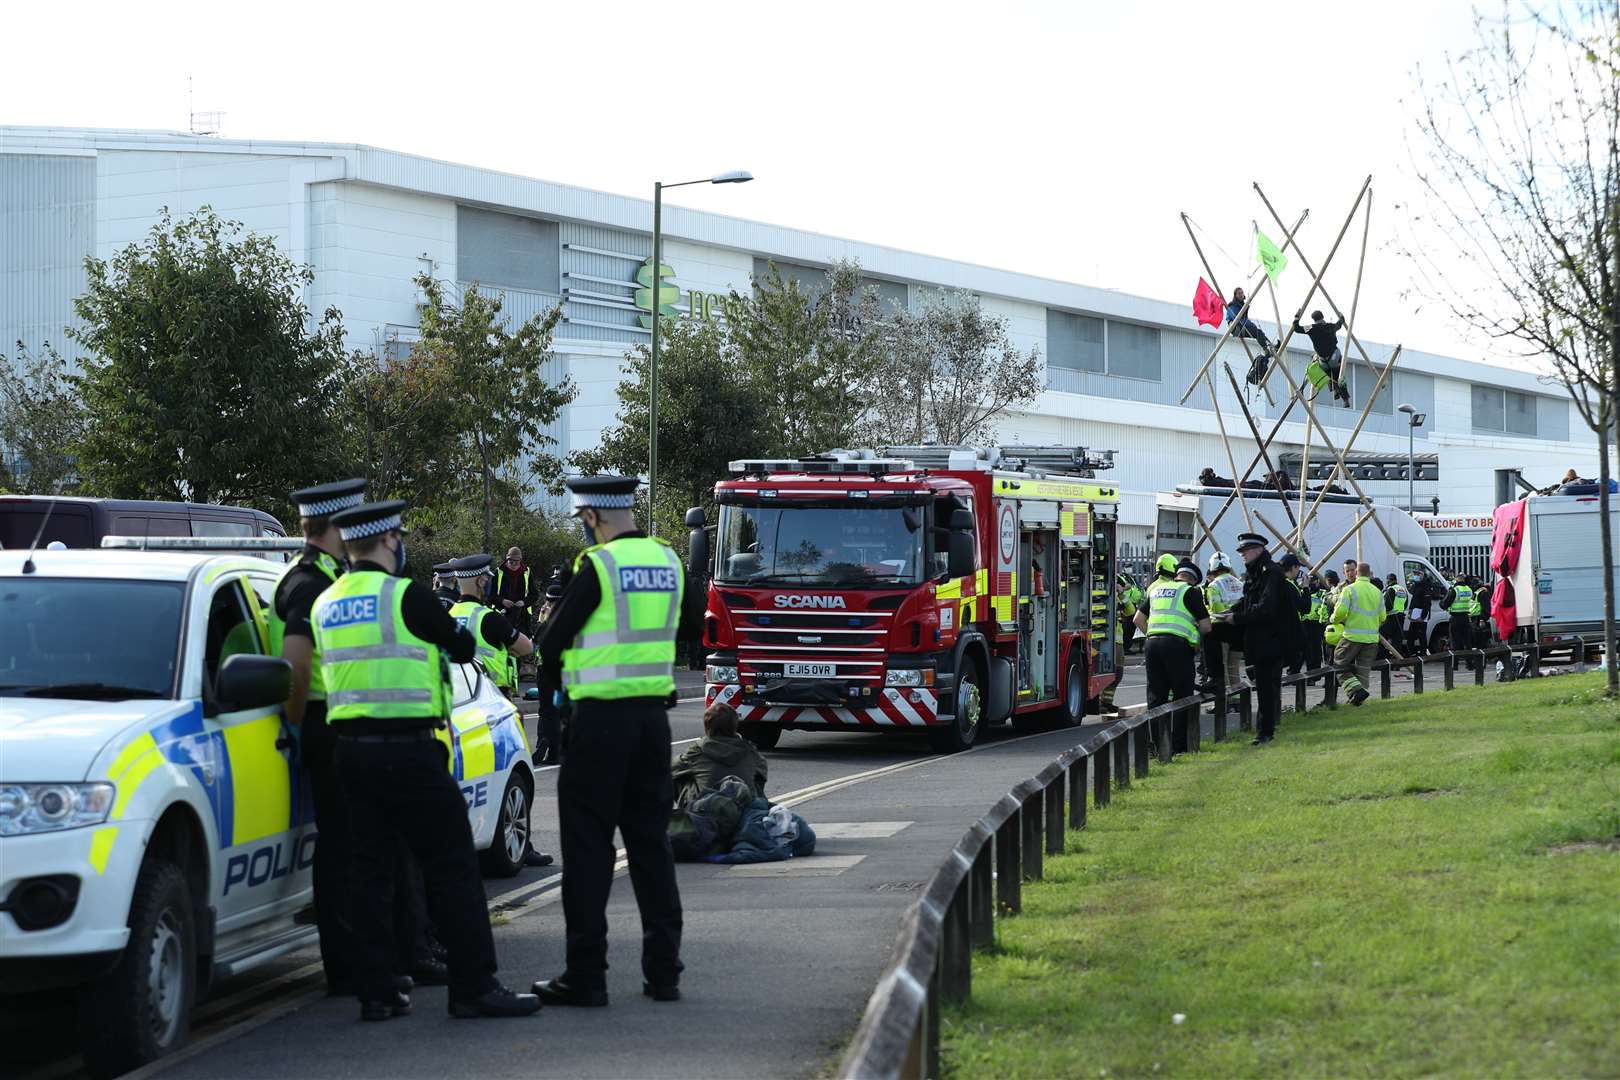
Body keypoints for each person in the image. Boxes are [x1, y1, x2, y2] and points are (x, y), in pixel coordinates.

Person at [311, 499, 539, 1022]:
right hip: (410, 751)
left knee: (369, 872)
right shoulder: (404, 597)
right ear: (389, 541)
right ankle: (474, 987)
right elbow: (460, 645)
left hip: (350, 754)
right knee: (453, 864)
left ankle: (378, 992)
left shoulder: (327, 603)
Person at [268, 480, 445, 998]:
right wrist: (299, 728)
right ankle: (350, 970)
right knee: (348, 856)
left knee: (375, 852)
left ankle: (397, 957)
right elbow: (296, 668)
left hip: (356, 722)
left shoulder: (331, 577)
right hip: (331, 724)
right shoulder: (305, 583)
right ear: (338, 525)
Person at [531, 475, 702, 1008]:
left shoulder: (597, 566)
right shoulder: (669, 560)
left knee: (588, 851)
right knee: (651, 846)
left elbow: (550, 642)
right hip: (653, 723)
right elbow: (690, 625)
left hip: (599, 723)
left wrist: (559, 706)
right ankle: (664, 973)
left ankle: (586, 975)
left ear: (591, 518)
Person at [1135, 554, 1212, 756]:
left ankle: (1157, 746)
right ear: (1194, 579)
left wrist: (1154, 633)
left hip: (1152, 645)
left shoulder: (1157, 590)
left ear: (1178, 574)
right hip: (1178, 647)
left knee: (1156, 696)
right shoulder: (1191, 592)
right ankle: (1179, 747)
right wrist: (1193, 639)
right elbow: (1206, 626)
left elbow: (1138, 619)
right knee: (1182, 696)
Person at [1223, 533, 1290, 745]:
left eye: (1246, 550)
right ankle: (1265, 729)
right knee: (1263, 687)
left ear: (1259, 550)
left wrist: (1237, 618)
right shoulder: (1255, 573)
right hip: (1259, 640)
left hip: (1271, 640)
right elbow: (1248, 600)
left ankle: (1265, 732)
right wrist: (1230, 612)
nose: (1242, 554)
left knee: (1266, 688)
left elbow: (1266, 609)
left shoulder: (1271, 572)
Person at [448, 554, 533, 699]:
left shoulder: (448, 615)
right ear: (481, 581)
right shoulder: (489, 617)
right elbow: (526, 647)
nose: (488, 582)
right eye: (487, 578)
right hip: (491, 696)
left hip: (459, 695)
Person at [671, 702, 769, 806]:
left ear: (707, 727)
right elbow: (762, 770)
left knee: (678, 776)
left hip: (707, 809)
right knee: (756, 780)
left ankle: (683, 812)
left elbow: (672, 768)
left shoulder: (698, 751)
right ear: (735, 726)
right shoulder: (749, 750)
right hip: (743, 805)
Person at [1331, 561, 1385, 706]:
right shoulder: (1377, 592)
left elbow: (1340, 612)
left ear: (1357, 573)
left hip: (1352, 637)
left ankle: (1356, 692)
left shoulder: (1350, 589)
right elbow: (1383, 617)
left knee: (1339, 664)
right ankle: (1358, 701)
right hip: (1372, 639)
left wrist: (1333, 619)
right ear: (1369, 573)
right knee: (1363, 671)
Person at [1201, 552, 1246, 693]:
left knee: (1224, 666)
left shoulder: (1214, 586)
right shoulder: (1240, 584)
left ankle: (1225, 700)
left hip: (1221, 630)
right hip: (1239, 628)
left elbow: (1216, 610)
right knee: (1234, 666)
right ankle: (1237, 699)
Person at [533, 579, 566, 766]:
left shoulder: (547, 623)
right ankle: (559, 749)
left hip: (547, 671)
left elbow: (533, 645)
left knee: (547, 711)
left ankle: (546, 746)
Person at [1292, 308, 1352, 407]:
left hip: (1323, 361)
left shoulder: (1311, 328)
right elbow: (1339, 324)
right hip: (1335, 357)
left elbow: (1297, 328)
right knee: (1339, 376)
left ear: (1314, 319)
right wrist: (1341, 317)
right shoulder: (1331, 326)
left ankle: (1335, 389)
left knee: (1329, 374)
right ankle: (1345, 399)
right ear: (1322, 317)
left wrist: (1297, 317)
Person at [1224, 286, 1275, 385]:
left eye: (1241, 293)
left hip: (1244, 325)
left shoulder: (1243, 304)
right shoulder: (1232, 305)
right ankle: (1266, 347)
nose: (1241, 294)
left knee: (1259, 332)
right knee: (1257, 332)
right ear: (1235, 295)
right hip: (1237, 327)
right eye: (1238, 293)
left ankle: (1269, 346)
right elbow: (1233, 316)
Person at [1279, 553, 1309, 678]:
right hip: (1290, 627)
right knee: (1300, 649)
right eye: (1298, 568)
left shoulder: (1275, 582)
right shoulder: (1289, 586)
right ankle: (1292, 674)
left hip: (1278, 626)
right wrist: (1306, 588)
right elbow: (1305, 607)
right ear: (1293, 567)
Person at [495, 547, 535, 639]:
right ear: (506, 559)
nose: (513, 564)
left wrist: (523, 602)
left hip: (522, 617)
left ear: (520, 561)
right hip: (502, 615)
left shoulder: (527, 572)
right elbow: (490, 595)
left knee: (521, 648)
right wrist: (502, 601)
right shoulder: (499, 572)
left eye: (516, 562)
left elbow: (534, 595)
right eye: (510, 561)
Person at [1442, 571, 1478, 670]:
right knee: (1467, 642)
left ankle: (1455, 665)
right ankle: (1469, 664)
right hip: (1466, 617)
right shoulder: (1469, 589)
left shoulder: (1455, 590)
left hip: (1455, 618)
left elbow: (1444, 604)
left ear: (1456, 580)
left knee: (1455, 642)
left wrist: (1444, 598)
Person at [1382, 573, 1409, 656]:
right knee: (1397, 640)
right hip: (1401, 617)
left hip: (1391, 617)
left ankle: (1384, 657)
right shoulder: (1403, 589)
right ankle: (1396, 663)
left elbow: (1388, 606)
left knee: (1382, 637)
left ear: (1388, 580)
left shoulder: (1391, 589)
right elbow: (1405, 604)